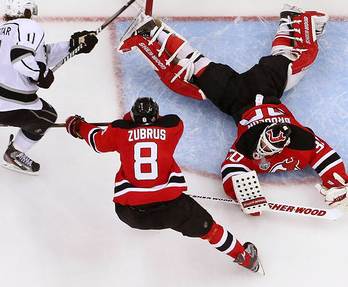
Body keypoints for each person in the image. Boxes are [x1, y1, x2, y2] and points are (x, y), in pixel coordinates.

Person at [116, 4, 348, 210]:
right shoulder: (274, 143)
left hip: (238, 96)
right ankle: (147, 33)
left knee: (196, 69)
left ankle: (293, 19)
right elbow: (233, 171)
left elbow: (231, 170)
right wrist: (336, 181)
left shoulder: (296, 141)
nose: (265, 151)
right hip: (260, 91)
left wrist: (337, 184)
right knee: (290, 60)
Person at [64, 97, 263, 274]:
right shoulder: (172, 127)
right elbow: (163, 120)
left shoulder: (119, 131)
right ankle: (246, 259)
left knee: (137, 195)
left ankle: (149, 211)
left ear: (132, 117)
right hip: (173, 210)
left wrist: (78, 126)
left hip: (131, 214)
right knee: (211, 231)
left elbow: (98, 141)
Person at [0, 0, 98, 175]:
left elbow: (40, 54)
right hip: (7, 105)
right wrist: (40, 74)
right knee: (47, 116)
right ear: (28, 10)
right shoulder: (29, 26)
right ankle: (14, 154)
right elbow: (21, 59)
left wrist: (72, 45)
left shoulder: (5, 29)